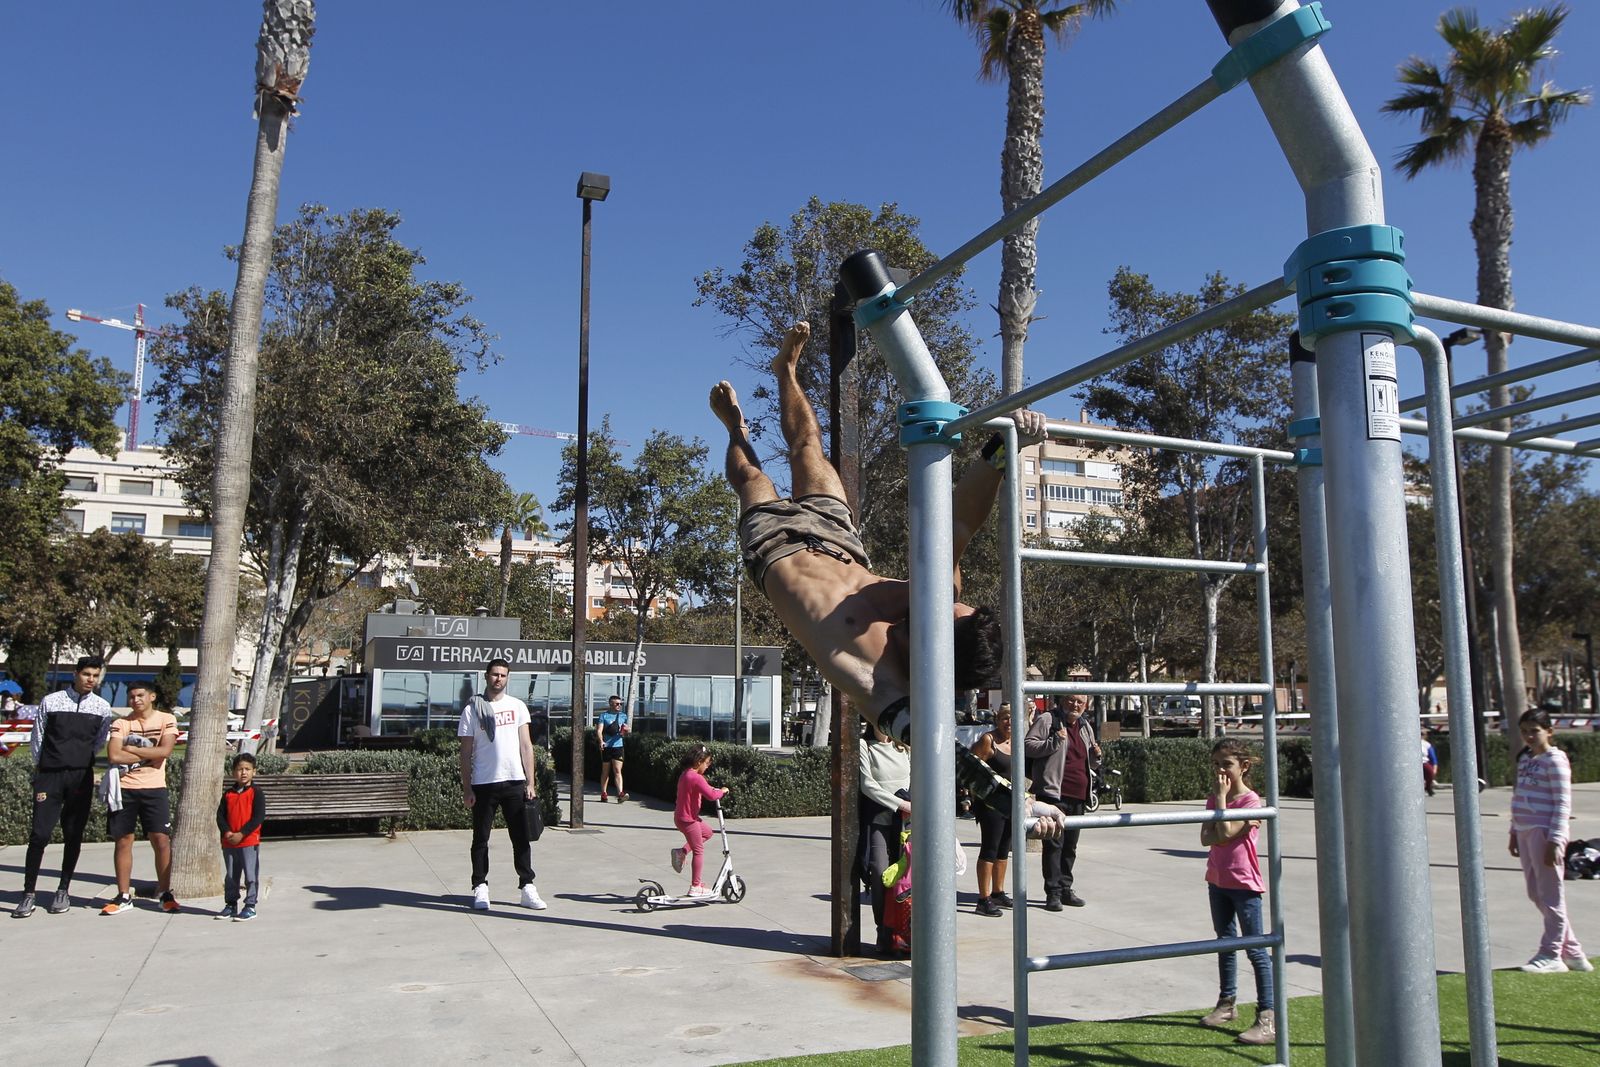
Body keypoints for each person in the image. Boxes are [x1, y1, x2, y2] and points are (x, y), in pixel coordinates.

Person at [710, 322, 1047, 790]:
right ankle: (785, 370)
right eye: (954, 605)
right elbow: (959, 525)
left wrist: (1017, 802)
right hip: (838, 539)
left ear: (937, 651)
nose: (936, 602)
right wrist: (998, 454)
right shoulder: (934, 597)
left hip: (775, 549)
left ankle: (734, 428)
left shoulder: (877, 674)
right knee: (808, 448)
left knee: (751, 478)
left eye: (945, 616)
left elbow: (937, 751)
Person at [13, 657, 115, 918]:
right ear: (75, 673)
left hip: (80, 777)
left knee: (73, 835)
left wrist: (80, 762)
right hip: (50, 776)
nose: (91, 679)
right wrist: (44, 769)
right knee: (39, 835)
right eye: (87, 674)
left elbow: (99, 741)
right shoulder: (52, 701)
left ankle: (63, 890)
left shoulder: (102, 707)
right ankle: (28, 894)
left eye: (95, 675)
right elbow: (38, 737)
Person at [1198, 738, 1275, 1046]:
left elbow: (1224, 831)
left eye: (1226, 764)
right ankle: (1227, 1003)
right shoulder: (1213, 798)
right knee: (1225, 943)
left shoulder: (1250, 801)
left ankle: (1267, 1017)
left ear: (1243, 766)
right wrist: (1227, 823)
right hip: (1217, 879)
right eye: (1216, 764)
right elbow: (1208, 838)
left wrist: (1222, 807)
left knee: (1256, 948)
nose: (1220, 770)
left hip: (1243, 882)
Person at [458, 659, 546, 912]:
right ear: (486, 676)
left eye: (503, 675)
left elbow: (526, 746)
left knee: (521, 838)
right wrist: (467, 788)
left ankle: (527, 887)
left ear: (508, 678)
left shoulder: (517, 706)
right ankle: (480, 887)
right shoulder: (472, 710)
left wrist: (531, 782)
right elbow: (465, 752)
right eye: (495, 674)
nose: (499, 679)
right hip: (484, 783)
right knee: (480, 839)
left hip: (514, 782)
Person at [1509, 709, 1591, 973]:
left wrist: (1555, 840)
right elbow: (1519, 795)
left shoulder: (1555, 760)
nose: (1529, 736)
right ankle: (1574, 952)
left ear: (1549, 731)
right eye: (1525, 731)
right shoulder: (1526, 760)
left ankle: (1551, 952)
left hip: (1544, 833)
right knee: (1536, 893)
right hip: (1524, 831)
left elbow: (1562, 803)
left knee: (1551, 894)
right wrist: (1514, 830)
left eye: (1535, 730)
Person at [100, 680, 182, 915]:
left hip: (155, 789)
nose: (135, 700)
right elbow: (114, 755)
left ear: (152, 696)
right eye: (131, 696)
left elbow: (165, 751)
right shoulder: (121, 723)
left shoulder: (167, 719)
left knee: (161, 840)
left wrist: (132, 750)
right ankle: (124, 896)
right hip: (124, 789)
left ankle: (165, 894)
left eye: (140, 695)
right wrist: (148, 755)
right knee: (123, 840)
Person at [1024, 693, 1100, 910]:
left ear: (1085, 705)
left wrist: (1096, 757)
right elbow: (1028, 745)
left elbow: (1090, 763)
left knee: (1070, 847)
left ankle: (1066, 888)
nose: (1075, 705)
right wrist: (1054, 741)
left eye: (1080, 702)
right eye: (1071, 700)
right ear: (1062, 700)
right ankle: (1053, 893)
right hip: (1053, 794)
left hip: (1079, 794)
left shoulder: (1085, 726)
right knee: (1054, 846)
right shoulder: (1048, 720)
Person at [858, 721, 911, 954]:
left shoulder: (904, 748)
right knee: (880, 872)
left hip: (904, 822)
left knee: (903, 878)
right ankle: (884, 929)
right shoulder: (864, 746)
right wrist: (900, 803)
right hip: (879, 819)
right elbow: (867, 785)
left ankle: (903, 931)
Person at [970, 703, 1022, 917]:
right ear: (997, 720)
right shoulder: (988, 740)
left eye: (1012, 718)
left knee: (1003, 849)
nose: (1008, 722)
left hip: (1010, 803)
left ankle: (998, 892)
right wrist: (974, 798)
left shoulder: (1016, 741)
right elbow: (970, 768)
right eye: (1004, 718)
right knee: (989, 849)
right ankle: (983, 899)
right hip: (989, 804)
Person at [670, 743, 728, 897]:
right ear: (698, 762)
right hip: (689, 820)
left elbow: (706, 789)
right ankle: (695, 886)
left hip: (683, 818)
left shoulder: (686, 774)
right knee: (699, 850)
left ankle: (681, 852)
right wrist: (722, 791)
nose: (708, 766)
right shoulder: (696, 778)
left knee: (708, 833)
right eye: (707, 763)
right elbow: (711, 795)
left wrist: (714, 790)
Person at [215, 751, 266, 921]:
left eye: (247, 769)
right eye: (239, 769)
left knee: (250, 875)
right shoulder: (228, 794)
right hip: (229, 843)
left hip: (248, 841)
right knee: (231, 875)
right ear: (233, 772)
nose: (243, 772)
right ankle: (231, 904)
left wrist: (242, 834)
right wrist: (227, 832)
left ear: (254, 771)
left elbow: (257, 817)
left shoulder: (256, 792)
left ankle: (250, 905)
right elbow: (220, 816)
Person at [595, 694, 630, 803]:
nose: (619, 706)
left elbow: (626, 731)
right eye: (617, 704)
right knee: (605, 771)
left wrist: (627, 730)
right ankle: (604, 793)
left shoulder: (623, 716)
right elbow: (599, 731)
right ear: (611, 704)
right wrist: (601, 741)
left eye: (620, 704)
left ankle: (620, 793)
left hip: (618, 746)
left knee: (617, 770)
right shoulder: (604, 716)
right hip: (607, 747)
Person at [1421, 730, 1439, 797]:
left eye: (1422, 734)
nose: (1420, 735)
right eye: (1420, 733)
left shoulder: (1426, 744)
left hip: (1423, 762)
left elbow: (1433, 757)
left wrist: (1435, 767)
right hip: (1411, 764)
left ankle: (1428, 787)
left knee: (1430, 772)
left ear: (1425, 736)